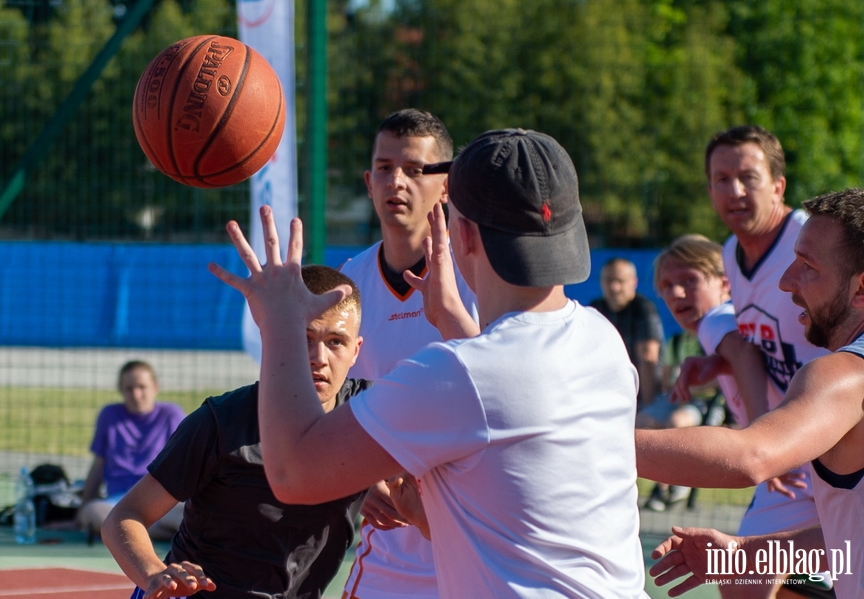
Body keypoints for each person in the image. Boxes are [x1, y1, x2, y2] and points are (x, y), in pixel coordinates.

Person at [210, 128, 649, 598]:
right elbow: (506, 401)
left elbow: (293, 473)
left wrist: (279, 325)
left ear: (460, 232)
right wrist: (452, 319)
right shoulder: (601, 340)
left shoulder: (458, 373)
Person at [638, 188, 864, 598]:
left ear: (861, 288)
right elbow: (852, 537)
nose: (785, 280)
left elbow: (751, 457)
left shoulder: (843, 376)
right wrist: (744, 555)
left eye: (807, 266)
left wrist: (585, 444)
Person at [102, 265, 371, 599]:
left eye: (335, 342)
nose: (319, 357)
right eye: (304, 339)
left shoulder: (370, 413)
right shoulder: (221, 422)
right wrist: (155, 573)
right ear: (277, 340)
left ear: (356, 349)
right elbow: (124, 517)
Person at [337, 108, 477, 599]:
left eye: (415, 170)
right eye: (384, 167)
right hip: (387, 557)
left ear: (446, 185)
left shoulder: (480, 277)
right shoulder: (346, 286)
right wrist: (357, 479)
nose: (396, 180)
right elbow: (324, 404)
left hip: (476, 548)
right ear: (369, 181)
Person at [692, 125, 832, 598]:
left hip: (839, 442)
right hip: (793, 458)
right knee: (743, 574)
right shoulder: (732, 254)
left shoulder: (811, 239)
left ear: (778, 186)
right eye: (721, 178)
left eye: (747, 177)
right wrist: (718, 363)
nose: (733, 190)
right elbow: (753, 344)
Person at [639, 234, 770, 512]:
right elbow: (746, 356)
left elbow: (742, 353)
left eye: (689, 280)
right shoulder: (731, 320)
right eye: (666, 286)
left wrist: (765, 439)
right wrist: (722, 365)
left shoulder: (715, 320)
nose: (675, 293)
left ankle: (674, 487)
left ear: (725, 283)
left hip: (790, 459)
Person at [78, 360, 184, 541]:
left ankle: (129, 536)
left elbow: (187, 462)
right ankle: (160, 535)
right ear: (121, 390)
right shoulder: (109, 415)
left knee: (186, 515)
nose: (136, 394)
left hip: (161, 499)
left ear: (155, 387)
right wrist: (82, 507)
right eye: (129, 388)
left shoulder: (171, 415)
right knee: (92, 512)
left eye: (142, 387)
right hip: (119, 503)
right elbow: (98, 465)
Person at [590, 257, 664, 409]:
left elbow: (648, 360)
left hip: (643, 395)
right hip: (607, 395)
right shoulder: (594, 310)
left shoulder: (643, 309)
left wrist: (645, 407)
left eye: (620, 281)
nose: (614, 287)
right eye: (608, 280)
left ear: (634, 282)